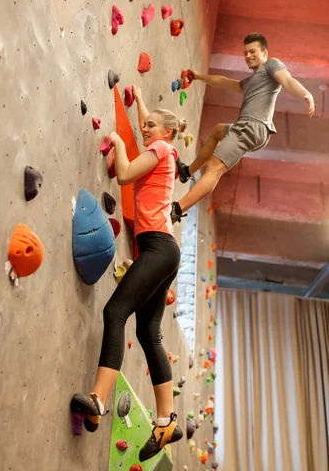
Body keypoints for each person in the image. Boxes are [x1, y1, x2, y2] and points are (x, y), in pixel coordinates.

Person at [71, 85, 187, 462]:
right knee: (147, 331)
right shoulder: (163, 148)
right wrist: (140, 103)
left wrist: (120, 142)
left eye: (151, 127)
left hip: (157, 247)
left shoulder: (162, 149)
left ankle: (98, 400)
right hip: (164, 249)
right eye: (146, 125)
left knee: (114, 313)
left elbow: (123, 175)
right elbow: (149, 127)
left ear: (166, 134)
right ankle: (166, 420)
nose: (145, 130)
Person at [171, 33, 315, 222]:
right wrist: (199, 77)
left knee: (215, 167)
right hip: (246, 127)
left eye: (252, 51)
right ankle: (186, 172)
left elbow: (287, 80)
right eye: (245, 53)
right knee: (217, 131)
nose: (248, 56)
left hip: (253, 127)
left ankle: (177, 210)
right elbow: (224, 82)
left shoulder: (271, 65)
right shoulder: (250, 82)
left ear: (264, 52)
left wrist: (306, 94)